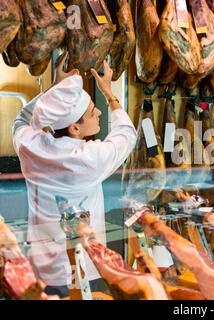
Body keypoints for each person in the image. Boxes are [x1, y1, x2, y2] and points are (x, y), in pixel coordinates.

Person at [12, 51, 137, 298]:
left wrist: (54, 90)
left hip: (43, 268)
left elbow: (21, 120)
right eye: (93, 112)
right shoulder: (89, 158)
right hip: (83, 269)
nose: (99, 113)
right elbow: (126, 134)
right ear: (75, 127)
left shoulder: (30, 146)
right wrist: (110, 94)